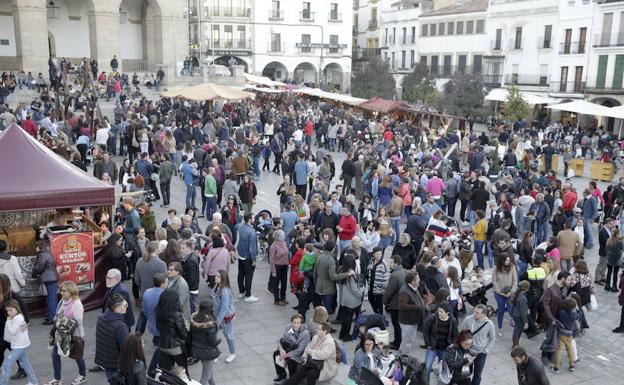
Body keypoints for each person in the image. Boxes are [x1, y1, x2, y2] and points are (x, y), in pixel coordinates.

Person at [45, 281, 87, 385]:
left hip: (74, 335)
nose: (61, 293)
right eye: (61, 290)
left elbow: (78, 321)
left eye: (64, 291)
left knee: (77, 356)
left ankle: (82, 376)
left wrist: (64, 324)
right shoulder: (62, 301)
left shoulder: (77, 303)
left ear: (71, 291)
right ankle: (57, 379)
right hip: (61, 333)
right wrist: (58, 323)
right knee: (55, 354)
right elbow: (57, 315)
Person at [0, 300, 37, 385]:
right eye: (7, 311)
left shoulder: (17, 318)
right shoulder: (17, 317)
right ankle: (34, 381)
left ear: (16, 308)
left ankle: (3, 383)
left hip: (19, 346)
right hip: (19, 345)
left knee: (7, 365)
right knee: (26, 364)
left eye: (10, 310)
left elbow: (12, 331)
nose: (9, 313)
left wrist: (8, 321)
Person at [95, 293, 131, 381]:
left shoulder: (101, 318)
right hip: (117, 365)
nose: (127, 306)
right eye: (125, 305)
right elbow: (127, 349)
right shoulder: (120, 327)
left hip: (106, 361)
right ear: (117, 308)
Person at [134, 241, 167, 333]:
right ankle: (158, 337)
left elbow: (136, 279)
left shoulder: (140, 261)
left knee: (143, 314)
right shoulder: (161, 264)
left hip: (145, 293)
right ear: (156, 250)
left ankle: (138, 335)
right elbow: (165, 281)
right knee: (158, 316)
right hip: (158, 295)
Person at [423, 302, 458, 382]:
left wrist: (452, 346)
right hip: (433, 347)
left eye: (441, 312)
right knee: (427, 367)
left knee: (443, 369)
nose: (439, 313)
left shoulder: (453, 321)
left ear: (447, 313)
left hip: (445, 349)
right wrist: (428, 344)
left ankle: (441, 382)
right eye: (438, 311)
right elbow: (425, 331)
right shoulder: (432, 318)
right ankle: (425, 383)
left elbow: (455, 335)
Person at [460, 304, 495, 385]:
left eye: (477, 313)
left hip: (480, 353)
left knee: (477, 375)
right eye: (474, 311)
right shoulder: (468, 319)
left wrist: (486, 350)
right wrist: (463, 349)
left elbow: (492, 339)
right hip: (467, 351)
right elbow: (461, 335)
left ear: (484, 314)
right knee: (464, 373)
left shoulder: (489, 324)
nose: (474, 314)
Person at [155, 289, 189, 373]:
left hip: (163, 345)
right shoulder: (176, 315)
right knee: (183, 370)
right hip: (176, 347)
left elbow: (158, 327)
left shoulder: (158, 311)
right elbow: (183, 333)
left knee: (167, 371)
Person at [190, 299, 221, 385]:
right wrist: (219, 340)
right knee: (204, 379)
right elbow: (213, 342)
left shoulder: (195, 319)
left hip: (198, 351)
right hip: (208, 353)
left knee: (210, 374)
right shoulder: (209, 325)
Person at [273, 314, 311, 382]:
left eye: (298, 323)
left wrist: (286, 355)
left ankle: (292, 379)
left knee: (291, 361)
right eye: (294, 322)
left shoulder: (306, 333)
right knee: (276, 354)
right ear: (291, 322)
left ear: (301, 323)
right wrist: (281, 349)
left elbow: (300, 350)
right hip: (287, 349)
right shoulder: (288, 327)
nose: (296, 324)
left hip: (298, 354)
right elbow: (281, 340)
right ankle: (281, 373)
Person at [383, 255, 406, 350]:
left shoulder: (394, 275)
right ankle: (398, 341)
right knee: (399, 324)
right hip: (402, 302)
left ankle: (397, 343)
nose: (390, 264)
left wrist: (384, 301)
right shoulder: (404, 271)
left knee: (396, 324)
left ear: (396, 264)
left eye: (391, 262)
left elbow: (389, 291)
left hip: (395, 304)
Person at [398, 272, 425, 355]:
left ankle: (400, 356)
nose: (419, 280)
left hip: (413, 319)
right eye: (418, 279)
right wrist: (416, 306)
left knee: (406, 340)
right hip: (408, 321)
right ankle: (404, 358)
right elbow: (402, 306)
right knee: (407, 341)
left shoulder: (414, 287)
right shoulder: (404, 292)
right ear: (413, 281)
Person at [337, 254, 363, 342]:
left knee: (344, 317)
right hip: (352, 300)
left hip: (343, 298)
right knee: (348, 318)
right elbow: (355, 289)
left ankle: (342, 334)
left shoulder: (341, 269)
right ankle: (346, 336)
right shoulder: (351, 274)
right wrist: (361, 293)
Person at [551, 297, 580, 373]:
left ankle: (556, 367)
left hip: (562, 333)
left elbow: (560, 309)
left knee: (559, 350)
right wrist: (576, 308)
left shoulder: (562, 313)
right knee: (570, 349)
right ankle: (572, 365)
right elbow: (579, 315)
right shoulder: (574, 314)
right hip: (570, 334)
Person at [32, 239, 57, 325]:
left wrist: (33, 274)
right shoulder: (47, 253)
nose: (34, 248)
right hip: (51, 277)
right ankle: (51, 316)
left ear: (39, 247)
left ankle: (52, 319)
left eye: (35, 246)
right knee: (51, 299)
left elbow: (39, 267)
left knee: (51, 300)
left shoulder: (42, 255)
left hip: (48, 278)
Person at [213, 270, 236, 363]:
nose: (215, 277)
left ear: (223, 279)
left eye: (218, 276)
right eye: (216, 276)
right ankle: (215, 353)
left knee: (228, 335)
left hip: (224, 318)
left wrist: (218, 321)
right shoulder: (217, 286)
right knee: (213, 335)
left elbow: (224, 307)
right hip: (218, 316)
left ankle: (232, 354)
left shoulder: (225, 291)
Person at [492, 255, 517, 336]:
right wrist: (499, 292)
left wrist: (512, 291)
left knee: (510, 309)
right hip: (499, 293)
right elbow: (494, 281)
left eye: (508, 260)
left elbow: (515, 280)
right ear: (502, 260)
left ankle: (515, 323)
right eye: (506, 260)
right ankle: (500, 327)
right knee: (501, 309)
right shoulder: (496, 268)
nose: (508, 262)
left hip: (510, 292)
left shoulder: (512, 267)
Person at [237, 212, 259, 302]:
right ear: (249, 219)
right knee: (249, 276)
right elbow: (252, 247)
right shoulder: (252, 231)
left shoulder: (241, 227)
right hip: (248, 257)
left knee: (241, 274)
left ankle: (242, 291)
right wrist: (254, 259)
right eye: (253, 218)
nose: (254, 219)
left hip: (240, 254)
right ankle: (248, 295)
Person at [367, 246, 389, 315]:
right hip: (371, 286)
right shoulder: (372, 261)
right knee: (370, 299)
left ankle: (380, 316)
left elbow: (385, 277)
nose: (378, 255)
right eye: (377, 254)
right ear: (373, 254)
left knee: (379, 304)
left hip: (379, 288)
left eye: (380, 254)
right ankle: (376, 312)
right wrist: (368, 268)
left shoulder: (383, 264)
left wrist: (383, 288)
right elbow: (369, 270)